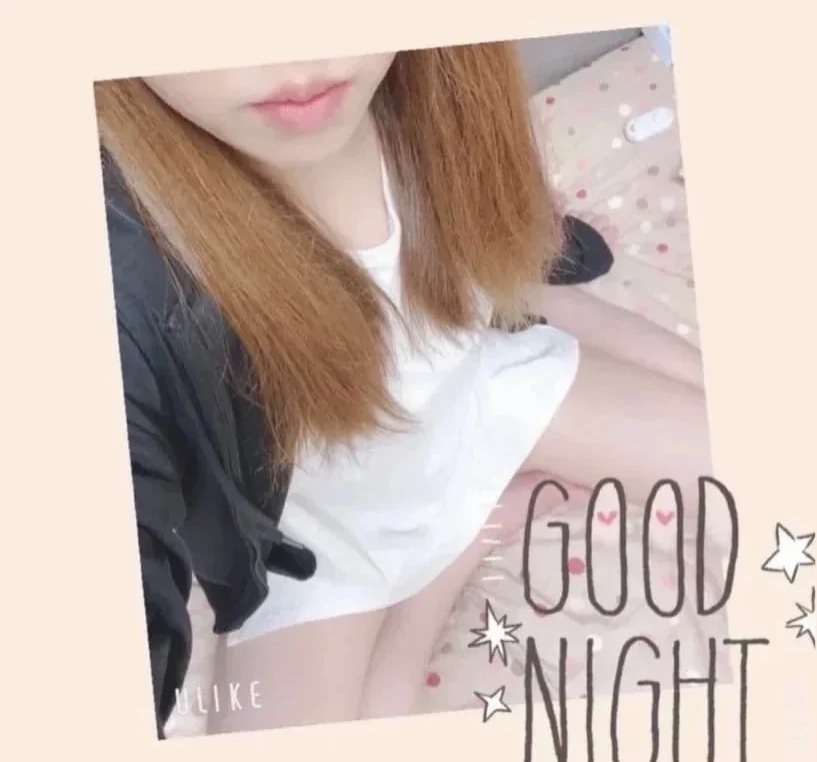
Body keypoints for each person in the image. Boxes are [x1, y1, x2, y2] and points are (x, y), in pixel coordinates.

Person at [95, 42, 709, 738]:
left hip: (477, 403)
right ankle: (450, 561)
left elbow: (496, 258)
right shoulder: (129, 250)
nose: (294, 53)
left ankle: (452, 540)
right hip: (322, 538)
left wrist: (535, 286)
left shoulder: (430, 103)